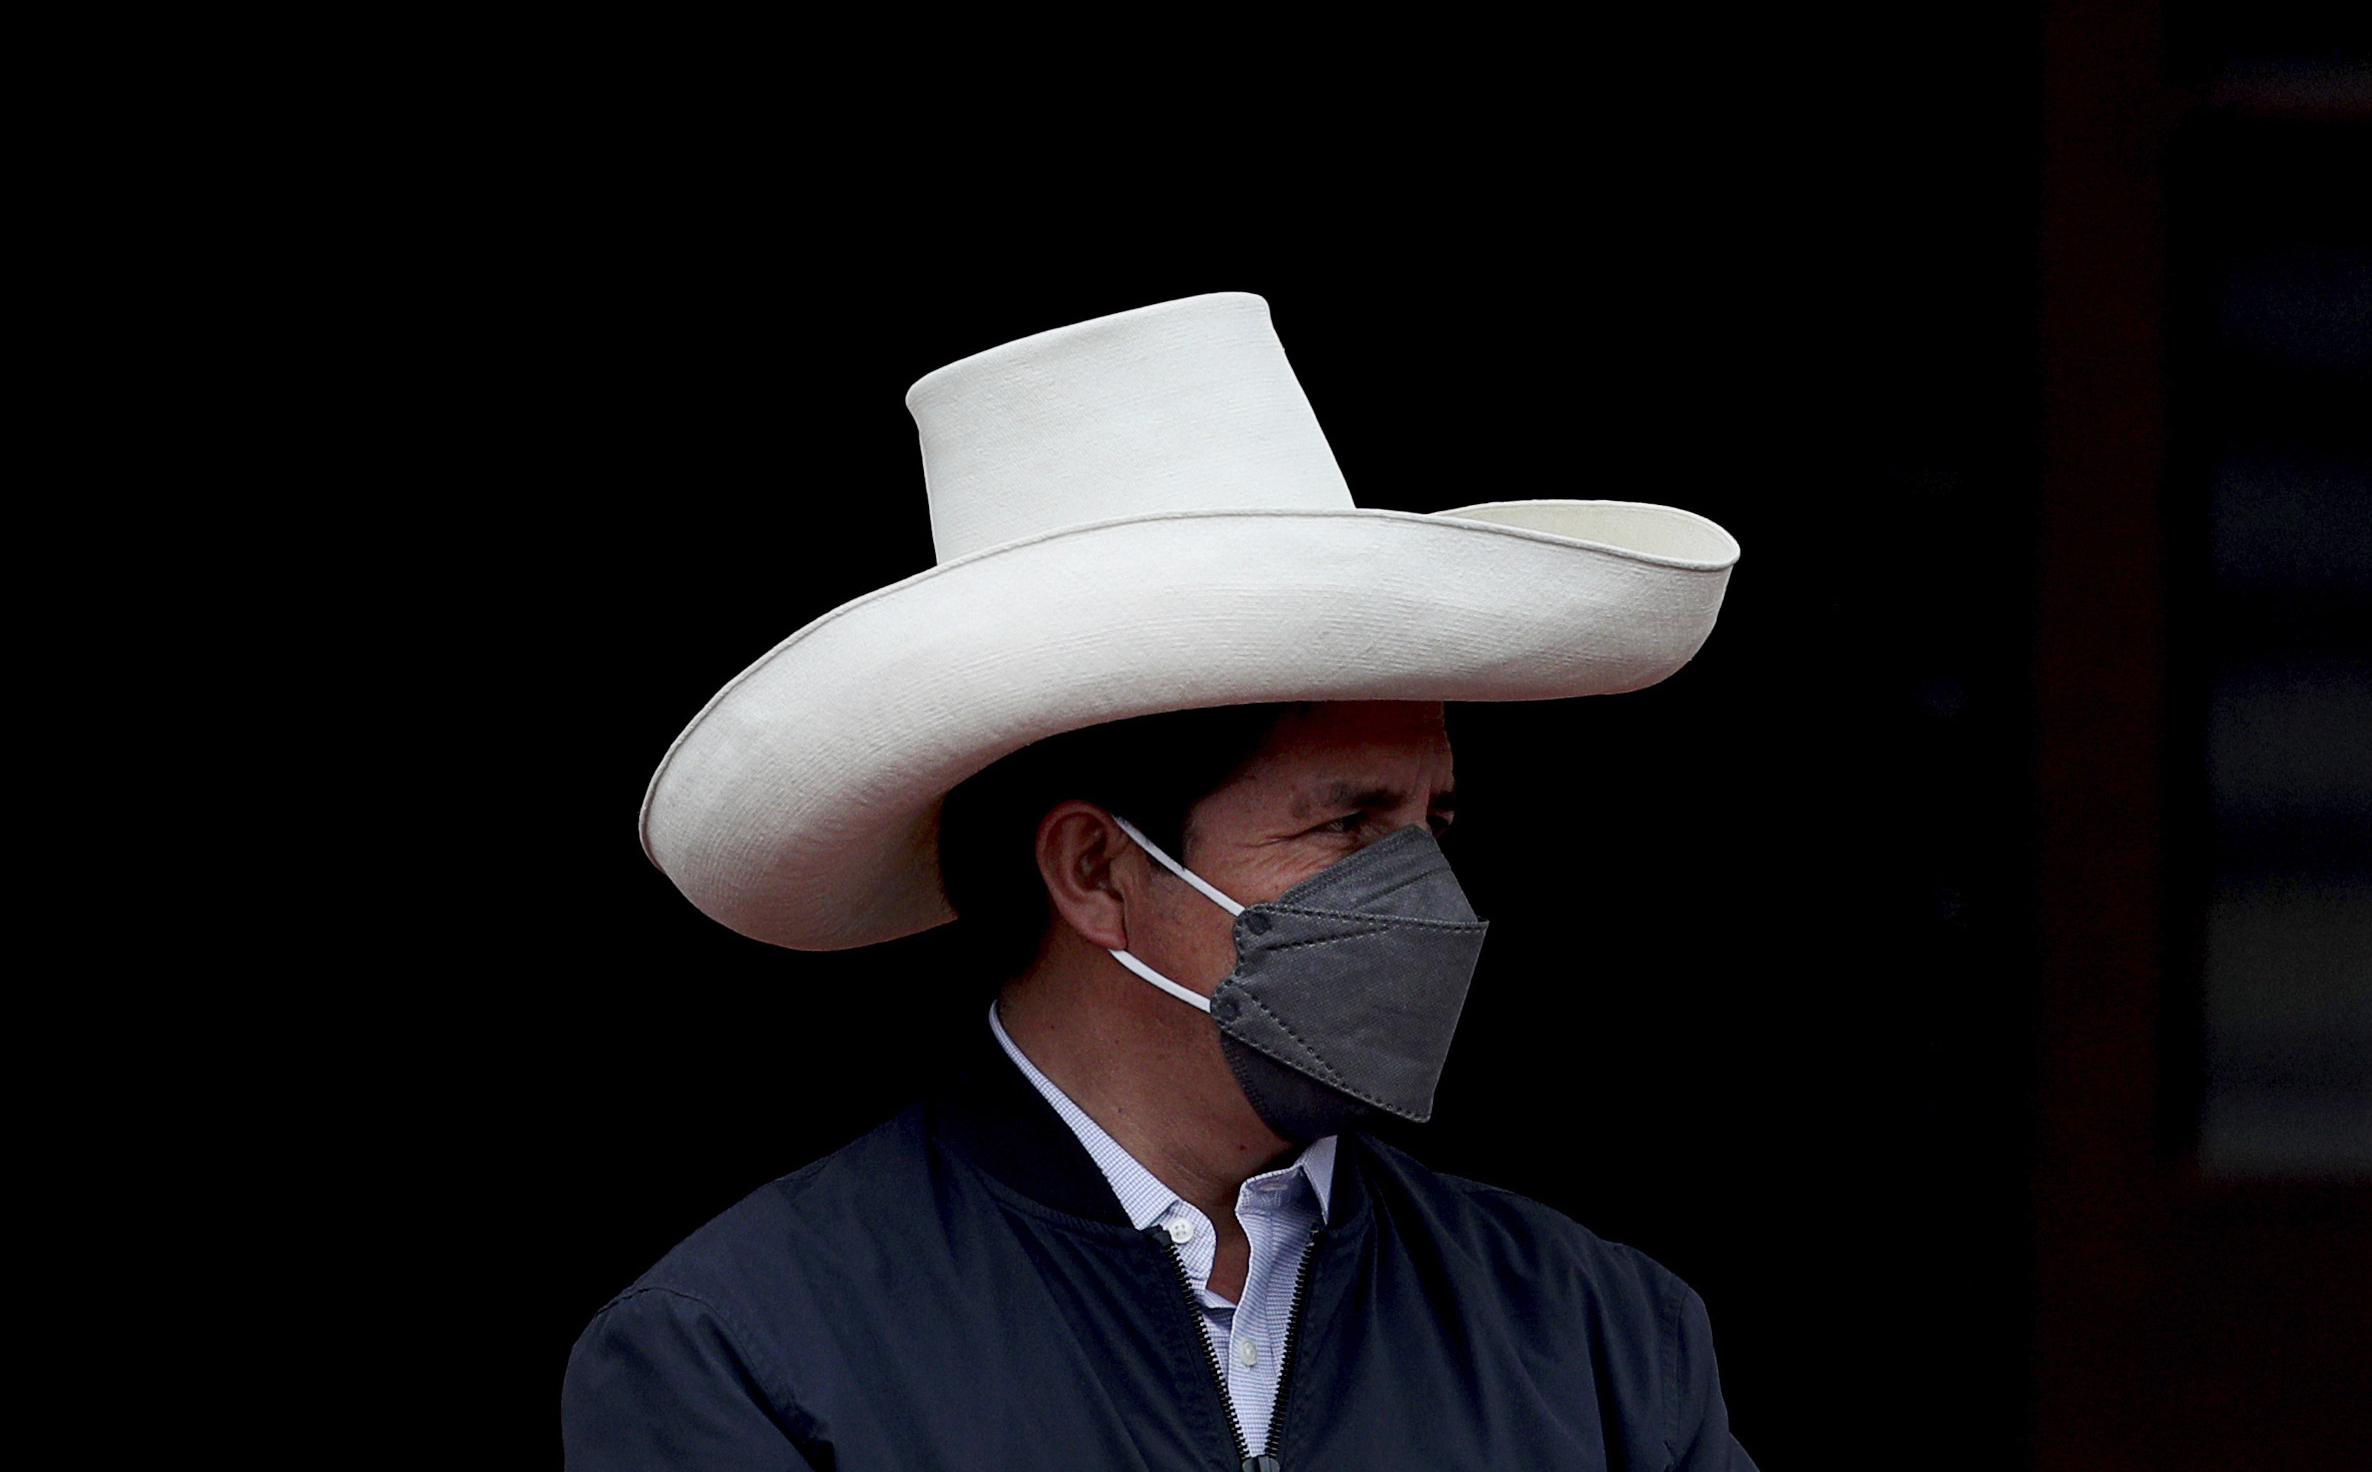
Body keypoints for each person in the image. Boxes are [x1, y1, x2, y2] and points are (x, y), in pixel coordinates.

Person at [564, 291, 1759, 1469]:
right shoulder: (747, 1357)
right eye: (1348, 826)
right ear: (1098, 871)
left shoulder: (1602, 1339)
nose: (1426, 894)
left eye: (1433, 819)